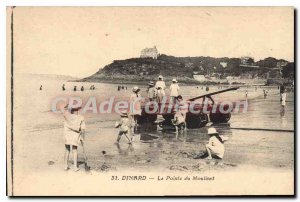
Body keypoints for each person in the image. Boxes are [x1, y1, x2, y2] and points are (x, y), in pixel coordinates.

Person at [62, 105, 85, 171]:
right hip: (75, 136)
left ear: (71, 110)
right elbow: (83, 129)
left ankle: (65, 166)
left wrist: (66, 107)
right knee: (74, 150)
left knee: (67, 150)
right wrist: (83, 138)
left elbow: (64, 111)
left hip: (67, 135)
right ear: (77, 110)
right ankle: (75, 167)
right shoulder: (81, 117)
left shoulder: (67, 117)